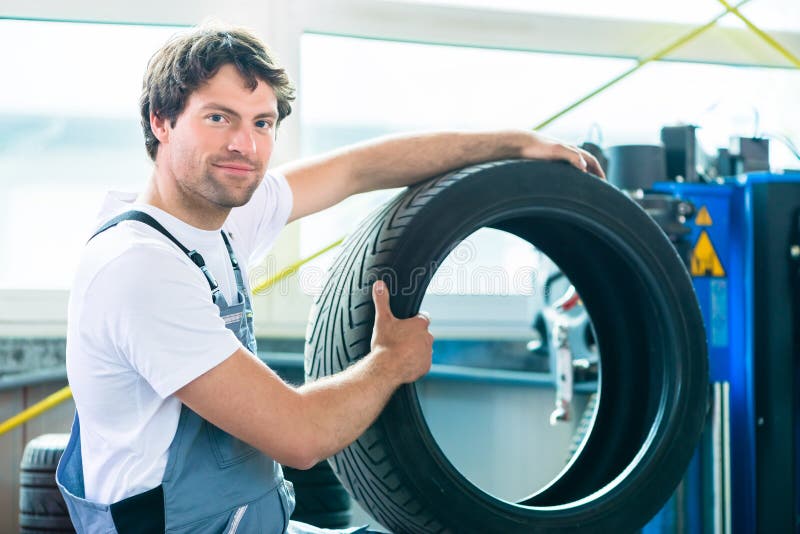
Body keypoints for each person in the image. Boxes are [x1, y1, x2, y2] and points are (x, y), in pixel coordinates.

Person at [55, 23, 604, 534]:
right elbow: (301, 436)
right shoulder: (140, 268)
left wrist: (513, 144)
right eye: (218, 117)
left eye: (262, 123)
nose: (245, 146)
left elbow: (357, 169)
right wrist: (391, 362)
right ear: (160, 120)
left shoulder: (219, 220)